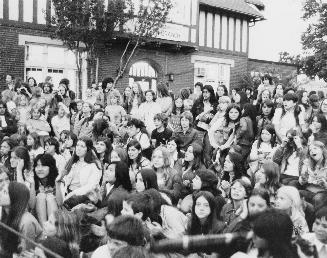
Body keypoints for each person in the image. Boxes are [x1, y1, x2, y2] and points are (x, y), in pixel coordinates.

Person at [0, 182, 42, 256]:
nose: (0, 194)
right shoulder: (6, 215)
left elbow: (26, 254)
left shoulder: (26, 222)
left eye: (5, 192)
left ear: (15, 198)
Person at [59, 137, 102, 209]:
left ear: (88, 149)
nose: (78, 148)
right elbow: (65, 180)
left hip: (83, 195)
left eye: (82, 146)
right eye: (77, 145)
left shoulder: (93, 165)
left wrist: (73, 193)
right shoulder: (73, 162)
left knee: (67, 204)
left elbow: (91, 186)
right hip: (68, 191)